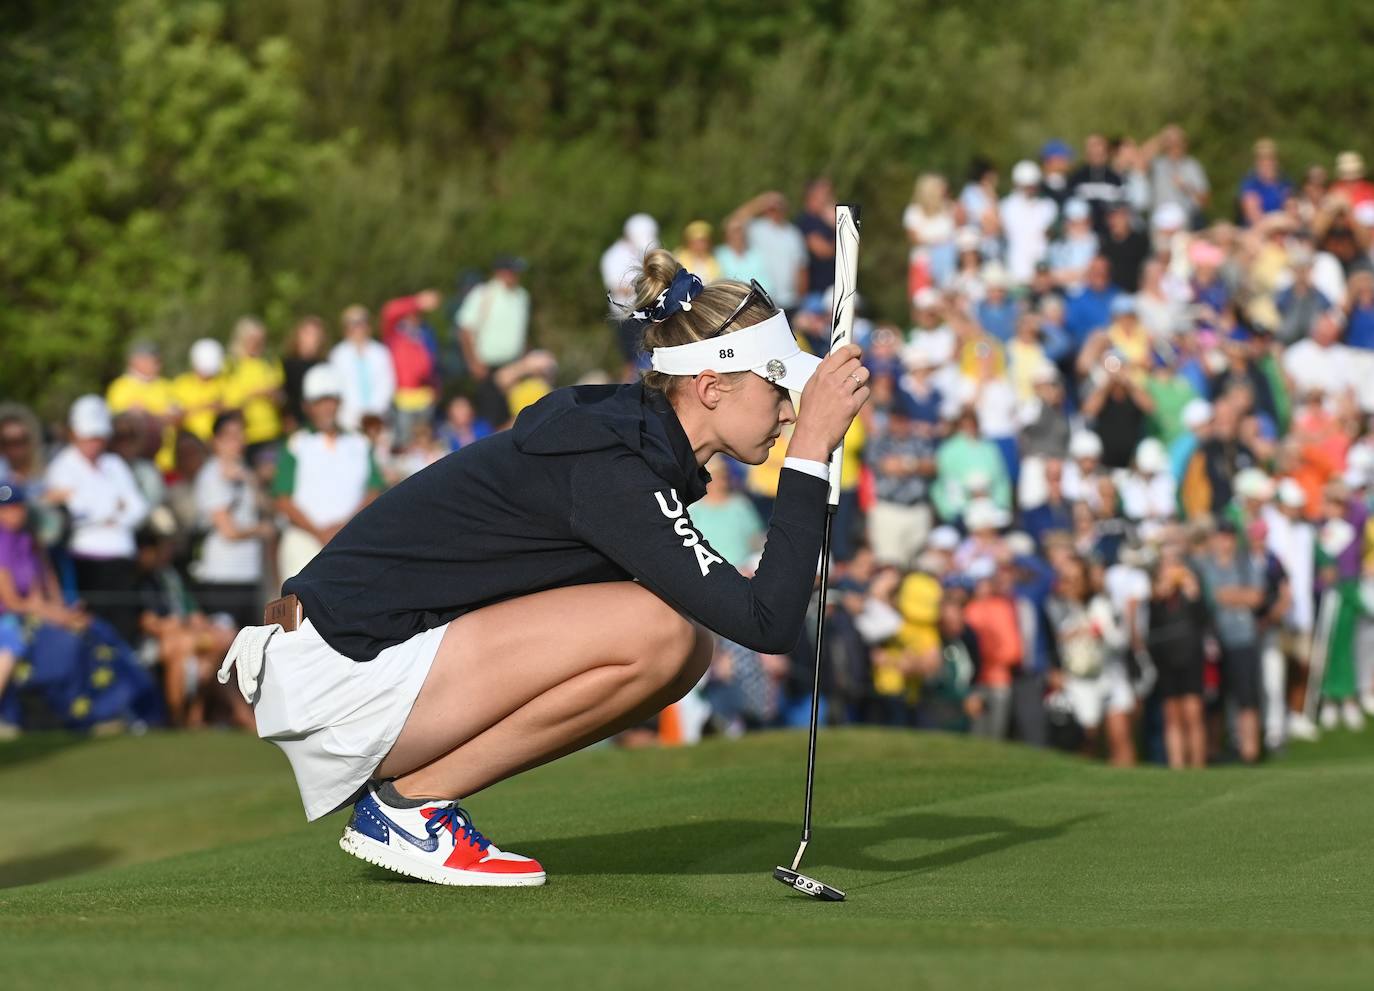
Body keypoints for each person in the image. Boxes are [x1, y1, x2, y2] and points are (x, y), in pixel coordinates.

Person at [216, 249, 870, 886]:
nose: (790, 410)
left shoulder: (627, 445)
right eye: (779, 388)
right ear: (709, 386)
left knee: (680, 641)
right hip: (339, 670)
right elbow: (768, 620)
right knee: (665, 634)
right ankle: (412, 806)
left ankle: (411, 803)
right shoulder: (614, 467)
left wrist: (806, 446)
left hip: (348, 656)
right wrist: (809, 451)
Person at [44, 396, 149, 643]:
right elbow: (76, 512)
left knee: (124, 633)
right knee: (93, 633)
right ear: (74, 435)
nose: (94, 443)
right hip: (85, 564)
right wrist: (114, 508)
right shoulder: (62, 466)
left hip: (121, 562)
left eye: (98, 437)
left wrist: (105, 512)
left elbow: (138, 508)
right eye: (89, 437)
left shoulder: (114, 464)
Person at [272, 365, 385, 583]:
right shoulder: (296, 444)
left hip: (352, 541)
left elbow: (374, 490)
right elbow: (283, 498)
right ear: (307, 406)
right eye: (319, 402)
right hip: (303, 540)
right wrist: (318, 532)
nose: (326, 408)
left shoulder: (360, 443)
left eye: (330, 400)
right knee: (298, 611)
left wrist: (342, 528)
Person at [192, 411, 273, 630]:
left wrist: (253, 480)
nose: (237, 442)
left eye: (240, 435)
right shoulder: (211, 475)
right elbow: (228, 531)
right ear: (216, 441)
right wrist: (260, 530)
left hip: (250, 573)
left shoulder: (245, 472)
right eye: (230, 436)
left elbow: (266, 506)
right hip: (223, 576)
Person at [1146, 544, 1209, 768]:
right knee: (1172, 717)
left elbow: (1203, 620)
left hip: (1190, 656)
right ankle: (1177, 766)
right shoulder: (1156, 595)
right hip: (1166, 659)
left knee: (1193, 714)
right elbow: (1151, 624)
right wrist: (1160, 593)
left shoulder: (1190, 590)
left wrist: (1194, 594)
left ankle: (1198, 767)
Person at [457, 258, 533, 427]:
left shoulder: (522, 296)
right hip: (487, 366)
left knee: (515, 415)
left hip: (513, 366)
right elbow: (465, 329)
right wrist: (473, 361)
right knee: (492, 416)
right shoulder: (484, 293)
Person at [106, 340, 179, 472]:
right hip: (132, 461)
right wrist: (160, 416)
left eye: (157, 360)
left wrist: (146, 414)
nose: (157, 364)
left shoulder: (167, 386)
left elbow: (175, 418)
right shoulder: (120, 387)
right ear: (135, 361)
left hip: (167, 462)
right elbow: (124, 424)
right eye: (152, 360)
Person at [726, 192, 806, 311]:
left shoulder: (793, 233)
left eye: (778, 208)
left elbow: (801, 267)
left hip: (790, 299)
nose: (774, 212)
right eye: (771, 209)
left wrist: (801, 298)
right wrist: (760, 202)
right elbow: (732, 223)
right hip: (763, 299)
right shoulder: (758, 228)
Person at [224, 316, 285, 462]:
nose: (256, 344)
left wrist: (274, 395)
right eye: (252, 339)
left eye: (260, 339)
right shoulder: (231, 365)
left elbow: (281, 396)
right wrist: (258, 392)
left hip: (270, 432)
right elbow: (230, 401)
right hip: (243, 436)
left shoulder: (270, 363)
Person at [330, 305, 396, 431]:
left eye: (361, 322)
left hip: (379, 418)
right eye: (353, 323)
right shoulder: (337, 354)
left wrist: (375, 411)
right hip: (348, 420)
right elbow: (337, 387)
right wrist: (356, 414)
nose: (358, 327)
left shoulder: (380, 352)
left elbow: (387, 383)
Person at [1000, 161, 1057, 284]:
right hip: (1016, 269)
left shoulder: (1048, 206)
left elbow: (1051, 235)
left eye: (1033, 185)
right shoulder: (1006, 207)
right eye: (1026, 186)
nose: (1030, 190)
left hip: (1042, 270)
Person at [282, 316, 328, 430]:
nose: (312, 339)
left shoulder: (325, 365)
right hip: (296, 425)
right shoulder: (287, 365)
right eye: (308, 334)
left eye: (316, 335)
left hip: (319, 425)